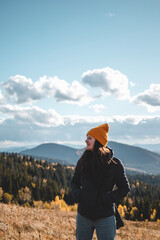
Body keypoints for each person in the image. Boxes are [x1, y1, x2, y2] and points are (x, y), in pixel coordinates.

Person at [71, 123, 130, 240]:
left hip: (105, 216)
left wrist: (108, 198)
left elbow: (124, 188)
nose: (85, 141)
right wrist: (79, 196)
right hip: (84, 215)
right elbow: (74, 183)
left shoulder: (115, 164)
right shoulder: (83, 160)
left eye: (89, 138)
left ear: (98, 141)